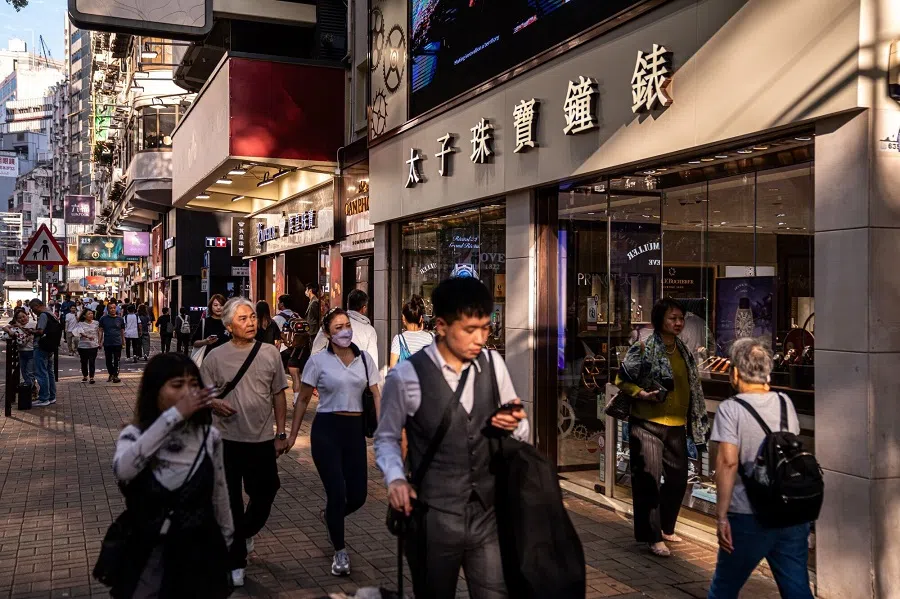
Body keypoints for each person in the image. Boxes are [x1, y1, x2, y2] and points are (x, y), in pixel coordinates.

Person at [375, 278, 529, 599]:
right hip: (433, 516)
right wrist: (395, 479)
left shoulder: (493, 364)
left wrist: (514, 425)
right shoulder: (406, 375)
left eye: (485, 329)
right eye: (469, 329)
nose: (480, 339)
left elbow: (520, 431)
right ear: (442, 326)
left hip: (488, 514)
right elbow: (387, 437)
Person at [108, 353, 233, 598]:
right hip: (149, 554)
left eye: (194, 384)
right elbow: (123, 469)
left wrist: (225, 539)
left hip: (198, 550)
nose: (188, 392)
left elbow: (220, 492)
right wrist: (172, 416)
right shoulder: (135, 435)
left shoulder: (209, 437)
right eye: (177, 385)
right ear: (155, 390)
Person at [708, 339, 812, 599]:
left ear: (734, 372)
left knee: (723, 590)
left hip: (747, 515)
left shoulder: (731, 409)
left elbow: (728, 462)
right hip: (790, 513)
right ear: (767, 372)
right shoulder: (785, 403)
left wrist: (721, 516)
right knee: (797, 589)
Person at [200, 297, 289, 588]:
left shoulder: (269, 353)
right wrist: (213, 402)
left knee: (266, 492)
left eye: (252, 317)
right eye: (242, 318)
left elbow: (278, 394)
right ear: (228, 325)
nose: (250, 322)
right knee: (231, 502)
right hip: (225, 440)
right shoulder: (214, 357)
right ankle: (236, 560)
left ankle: (242, 534)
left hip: (261, 439)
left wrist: (281, 434)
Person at [287, 308, 381, 577]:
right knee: (337, 493)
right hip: (326, 430)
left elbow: (376, 393)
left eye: (347, 325)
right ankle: (340, 551)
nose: (345, 331)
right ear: (327, 332)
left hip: (354, 432)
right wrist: (292, 435)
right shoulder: (317, 362)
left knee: (359, 496)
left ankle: (331, 515)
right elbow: (303, 399)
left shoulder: (364, 360)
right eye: (338, 327)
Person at [615, 297, 710, 557]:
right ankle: (652, 536)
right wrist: (641, 394)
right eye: (673, 318)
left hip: (677, 426)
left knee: (678, 480)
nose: (678, 323)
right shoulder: (644, 347)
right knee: (649, 482)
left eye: (680, 318)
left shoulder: (683, 351)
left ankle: (666, 527)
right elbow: (621, 379)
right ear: (660, 320)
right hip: (646, 423)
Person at [29, 299, 60, 407]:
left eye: (33, 309)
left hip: (41, 345)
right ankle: (52, 396)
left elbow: (41, 331)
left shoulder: (43, 315)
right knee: (49, 372)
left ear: (37, 306)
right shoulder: (52, 314)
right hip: (50, 346)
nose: (33, 312)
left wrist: (31, 331)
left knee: (41, 372)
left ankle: (44, 398)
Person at [272, 294, 302, 404]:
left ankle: (278, 400)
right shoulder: (297, 316)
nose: (278, 304)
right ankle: (297, 399)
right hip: (296, 349)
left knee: (277, 377)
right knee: (296, 375)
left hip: (282, 350)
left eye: (279, 302)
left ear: (282, 304)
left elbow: (274, 337)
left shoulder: (276, 319)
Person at [389, 295, 433, 368]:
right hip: (428, 378)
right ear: (421, 318)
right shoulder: (432, 337)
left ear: (403, 319)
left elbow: (392, 368)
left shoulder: (399, 339)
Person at [192, 294, 230, 362]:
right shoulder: (205, 322)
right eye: (215, 305)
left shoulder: (229, 322)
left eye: (221, 305)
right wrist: (206, 341)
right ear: (211, 306)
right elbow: (194, 342)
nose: (218, 307)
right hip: (208, 361)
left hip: (227, 361)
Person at [4, 309, 35, 389]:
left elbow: (26, 336)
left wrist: (19, 327)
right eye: (19, 318)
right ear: (16, 320)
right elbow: (5, 327)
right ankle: (29, 391)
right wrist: (10, 331)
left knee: (30, 373)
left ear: (27, 316)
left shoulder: (31, 324)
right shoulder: (17, 327)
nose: (22, 319)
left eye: (23, 316)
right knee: (24, 372)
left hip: (31, 352)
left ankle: (31, 390)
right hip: (22, 352)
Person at [99, 303, 126, 383]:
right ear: (107, 309)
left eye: (114, 308)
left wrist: (123, 341)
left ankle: (115, 375)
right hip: (107, 342)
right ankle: (111, 373)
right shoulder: (103, 319)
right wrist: (99, 342)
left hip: (117, 342)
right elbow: (100, 330)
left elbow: (122, 331)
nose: (113, 309)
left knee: (117, 359)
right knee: (108, 360)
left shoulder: (120, 319)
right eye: (110, 308)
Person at [74, 309, 100, 384]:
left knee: (92, 362)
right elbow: (81, 332)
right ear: (84, 316)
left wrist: (100, 342)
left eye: (92, 313)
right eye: (89, 314)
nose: (91, 315)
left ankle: (91, 377)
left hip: (93, 346)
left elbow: (99, 332)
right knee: (84, 362)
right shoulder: (80, 324)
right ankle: (85, 376)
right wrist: (88, 336)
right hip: (83, 346)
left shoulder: (96, 323)